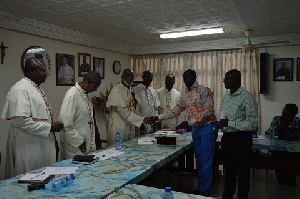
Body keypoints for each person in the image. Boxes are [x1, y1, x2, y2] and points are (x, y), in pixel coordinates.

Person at [151, 69, 218, 197]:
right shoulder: (185, 94)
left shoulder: (204, 90)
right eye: (185, 77)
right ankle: (201, 187)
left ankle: (205, 192)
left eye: (189, 76)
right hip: (196, 128)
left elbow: (209, 111)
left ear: (195, 77)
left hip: (208, 127)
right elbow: (175, 111)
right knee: (198, 159)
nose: (187, 79)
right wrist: (158, 117)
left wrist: (190, 121)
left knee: (206, 160)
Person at [1, 57, 64, 178]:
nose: (46, 74)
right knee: (29, 177)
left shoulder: (34, 87)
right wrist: (50, 127)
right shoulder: (20, 89)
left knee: (42, 177)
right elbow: (21, 121)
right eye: (42, 71)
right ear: (31, 71)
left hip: (38, 143)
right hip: (27, 145)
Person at [217, 69, 258, 199]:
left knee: (242, 172)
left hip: (241, 139)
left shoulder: (247, 97)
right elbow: (223, 117)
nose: (224, 81)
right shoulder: (225, 97)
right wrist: (220, 123)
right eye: (225, 79)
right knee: (228, 171)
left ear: (236, 80)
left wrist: (230, 123)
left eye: (227, 79)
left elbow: (252, 124)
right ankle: (228, 194)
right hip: (227, 138)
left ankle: (242, 196)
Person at [59, 71, 102, 160]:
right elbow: (66, 125)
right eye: (95, 86)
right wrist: (79, 142)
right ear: (88, 82)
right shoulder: (72, 95)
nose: (95, 90)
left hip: (86, 146)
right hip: (75, 147)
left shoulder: (85, 95)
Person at [106, 69, 150, 145]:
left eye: (132, 76)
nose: (131, 78)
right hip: (120, 127)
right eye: (128, 76)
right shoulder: (116, 91)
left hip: (131, 126)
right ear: (122, 77)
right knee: (117, 151)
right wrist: (141, 121)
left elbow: (136, 109)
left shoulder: (132, 91)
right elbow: (124, 112)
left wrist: (135, 105)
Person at [265, 103, 300, 186]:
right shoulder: (277, 119)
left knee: (294, 156)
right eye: (283, 109)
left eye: (286, 110)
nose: (283, 111)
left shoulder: (297, 121)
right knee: (278, 155)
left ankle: (291, 177)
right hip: (278, 147)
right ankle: (281, 177)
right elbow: (268, 132)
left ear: (292, 113)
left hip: (293, 148)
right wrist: (277, 130)